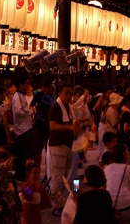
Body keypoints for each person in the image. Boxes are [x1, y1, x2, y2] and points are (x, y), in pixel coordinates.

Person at [48, 84, 78, 215]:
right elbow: (53, 126)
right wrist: (69, 128)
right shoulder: (56, 107)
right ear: (59, 93)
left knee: (65, 175)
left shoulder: (68, 107)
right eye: (66, 93)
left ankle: (62, 201)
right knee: (58, 176)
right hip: (58, 145)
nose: (69, 96)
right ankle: (56, 205)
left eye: (70, 93)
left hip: (68, 145)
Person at [104, 144, 130, 220]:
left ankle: (113, 211)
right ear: (124, 154)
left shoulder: (107, 168)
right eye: (127, 151)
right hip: (125, 202)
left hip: (109, 201)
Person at [11, 78, 36, 182]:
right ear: (21, 85)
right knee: (24, 154)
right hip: (22, 129)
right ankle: (20, 175)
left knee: (25, 153)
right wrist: (30, 111)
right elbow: (18, 111)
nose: (28, 86)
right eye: (26, 83)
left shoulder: (21, 95)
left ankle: (22, 174)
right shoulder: (18, 96)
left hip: (25, 127)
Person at [0, 149, 21, 224]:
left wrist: (18, 203)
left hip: (11, 205)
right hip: (3, 205)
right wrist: (3, 165)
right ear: (3, 162)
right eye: (10, 162)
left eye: (12, 163)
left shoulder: (9, 175)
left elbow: (15, 191)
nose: (11, 165)